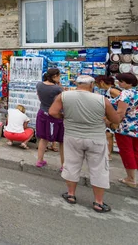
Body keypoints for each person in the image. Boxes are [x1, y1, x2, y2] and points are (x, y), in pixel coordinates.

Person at [49, 75, 120, 213]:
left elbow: (52, 112)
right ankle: (98, 202)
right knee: (99, 168)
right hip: (96, 138)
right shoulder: (102, 99)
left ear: (76, 83)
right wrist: (105, 119)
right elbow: (115, 118)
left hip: (72, 136)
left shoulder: (64, 96)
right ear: (92, 85)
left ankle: (70, 194)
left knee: (71, 165)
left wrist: (65, 117)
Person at [35, 68, 64, 169]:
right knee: (61, 140)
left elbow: (39, 97)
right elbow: (62, 99)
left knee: (43, 138)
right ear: (55, 76)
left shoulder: (39, 85)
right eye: (59, 76)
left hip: (42, 112)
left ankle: (40, 160)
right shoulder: (57, 89)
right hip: (55, 115)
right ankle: (63, 165)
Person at [114, 73, 138, 188]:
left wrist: (113, 123)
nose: (118, 83)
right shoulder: (136, 92)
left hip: (125, 127)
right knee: (135, 151)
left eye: (120, 81)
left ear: (126, 82)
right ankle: (133, 176)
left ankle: (131, 178)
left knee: (126, 151)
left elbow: (120, 113)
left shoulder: (125, 94)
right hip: (135, 127)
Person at [95, 76, 121, 161]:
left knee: (109, 135)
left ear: (101, 82)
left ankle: (108, 154)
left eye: (97, 83)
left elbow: (124, 101)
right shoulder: (108, 91)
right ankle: (107, 154)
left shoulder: (113, 91)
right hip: (110, 117)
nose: (96, 85)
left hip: (115, 117)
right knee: (108, 135)